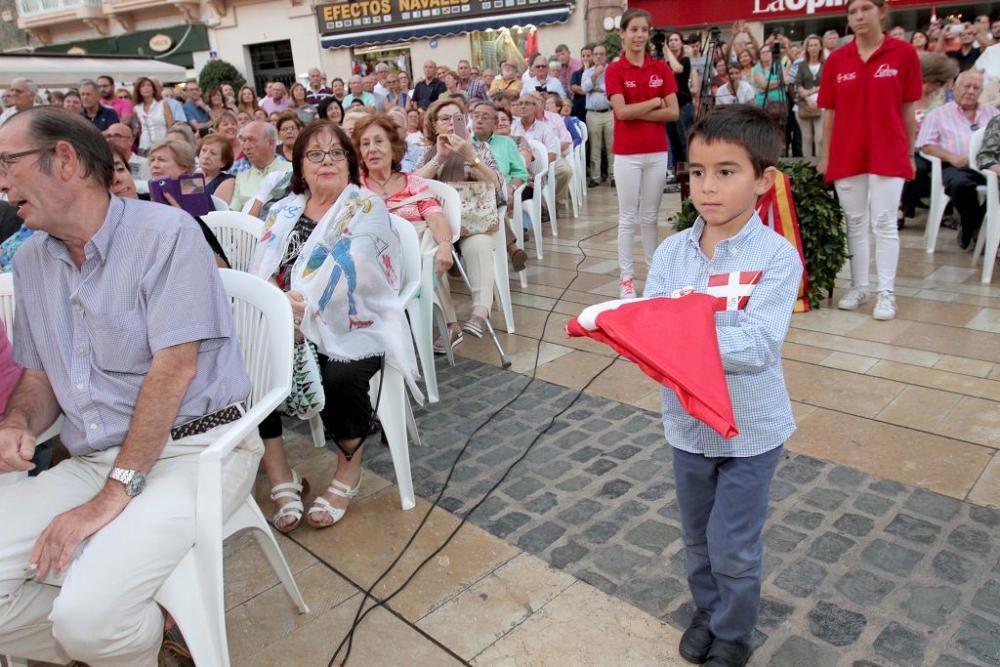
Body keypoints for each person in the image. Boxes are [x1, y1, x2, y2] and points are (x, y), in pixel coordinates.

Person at [0, 105, 262, 667]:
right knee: (88, 624)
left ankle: (113, 636)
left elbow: (175, 372)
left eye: (8, 162)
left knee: (88, 619)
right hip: (96, 457)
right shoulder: (29, 262)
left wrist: (111, 497)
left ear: (64, 160)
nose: (1, 181)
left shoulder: (165, 234)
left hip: (196, 451)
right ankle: (141, 636)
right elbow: (40, 376)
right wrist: (17, 422)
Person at [644, 103, 801, 667]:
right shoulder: (670, 255)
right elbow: (654, 328)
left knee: (733, 543)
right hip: (687, 428)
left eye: (726, 171)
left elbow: (758, 345)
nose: (707, 187)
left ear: (763, 180)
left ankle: (734, 632)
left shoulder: (777, 258)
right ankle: (707, 610)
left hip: (750, 431)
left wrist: (678, 346)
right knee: (695, 538)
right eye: (697, 172)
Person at [250, 120, 419, 530]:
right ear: (300, 166)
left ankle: (349, 469)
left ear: (349, 161)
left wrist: (299, 313)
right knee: (245, 363)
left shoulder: (365, 207)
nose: (326, 161)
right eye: (314, 154)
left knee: (341, 374)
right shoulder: (284, 209)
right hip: (281, 317)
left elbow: (360, 272)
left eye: (336, 153)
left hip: (352, 320)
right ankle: (281, 475)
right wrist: (273, 308)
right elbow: (260, 266)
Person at [819, 0, 923, 322]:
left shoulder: (904, 54)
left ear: (882, 11)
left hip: (888, 150)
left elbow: (908, 109)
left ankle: (886, 292)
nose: (859, 16)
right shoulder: (837, 60)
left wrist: (909, 151)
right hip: (848, 152)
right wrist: (825, 155)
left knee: (884, 223)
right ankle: (860, 285)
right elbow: (830, 113)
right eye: (852, 11)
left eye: (865, 8)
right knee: (855, 222)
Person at [415, 97, 505, 340]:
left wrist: (469, 155)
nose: (451, 124)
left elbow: (496, 185)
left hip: (472, 222)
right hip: (438, 226)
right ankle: (450, 324)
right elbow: (412, 187)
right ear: (434, 125)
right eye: (445, 119)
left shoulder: (480, 148)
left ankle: (480, 312)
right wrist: (440, 159)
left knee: (480, 244)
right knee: (428, 254)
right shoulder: (426, 153)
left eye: (457, 119)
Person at [606, 8, 680, 298]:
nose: (639, 35)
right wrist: (653, 102)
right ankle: (626, 279)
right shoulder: (615, 70)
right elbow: (621, 111)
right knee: (628, 217)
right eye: (633, 29)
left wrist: (641, 110)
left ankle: (653, 276)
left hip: (657, 152)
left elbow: (673, 112)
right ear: (622, 33)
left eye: (643, 30)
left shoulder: (660, 69)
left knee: (650, 217)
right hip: (627, 153)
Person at [918, 69, 999, 251]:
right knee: (961, 185)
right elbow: (925, 145)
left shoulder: (992, 113)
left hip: (986, 167)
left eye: (976, 88)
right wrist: (952, 157)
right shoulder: (938, 114)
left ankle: (970, 226)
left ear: (981, 92)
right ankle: (976, 227)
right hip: (955, 167)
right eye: (966, 86)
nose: (970, 91)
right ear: (955, 87)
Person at [147, 139, 230, 267]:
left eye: (162, 160)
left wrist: (182, 219)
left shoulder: (194, 192)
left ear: (184, 168)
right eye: (152, 160)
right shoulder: (148, 197)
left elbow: (216, 258)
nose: (155, 165)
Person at [899, 53, 958, 225]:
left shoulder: (944, 98)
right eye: (938, 82)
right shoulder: (906, 93)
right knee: (916, 167)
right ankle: (901, 207)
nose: (939, 86)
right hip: (910, 146)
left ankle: (944, 212)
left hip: (935, 146)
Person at [471, 101, 530, 271]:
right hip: (472, 193)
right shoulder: (464, 143)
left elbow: (521, 173)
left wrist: (511, 189)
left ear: (495, 124)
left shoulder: (506, 143)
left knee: (491, 199)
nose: (479, 120)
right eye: (476, 116)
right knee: (484, 200)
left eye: (485, 117)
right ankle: (512, 248)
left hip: (499, 192)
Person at [229, 121, 293, 212]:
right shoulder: (241, 178)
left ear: (271, 143)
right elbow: (233, 212)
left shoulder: (292, 170)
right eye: (244, 140)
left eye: (252, 140)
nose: (246, 146)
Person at [665, 32, 699, 169]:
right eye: (670, 40)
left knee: (684, 139)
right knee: (672, 141)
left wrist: (666, 49)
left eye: (676, 40)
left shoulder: (686, 60)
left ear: (681, 43)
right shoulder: (665, 63)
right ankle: (677, 172)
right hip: (669, 106)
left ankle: (690, 171)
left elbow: (677, 69)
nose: (673, 42)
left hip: (683, 105)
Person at [582, 44, 614, 188]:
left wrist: (598, 88)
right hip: (593, 113)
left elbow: (611, 89)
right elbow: (585, 88)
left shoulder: (612, 71)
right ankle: (595, 177)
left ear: (606, 55)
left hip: (609, 112)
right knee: (595, 147)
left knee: (612, 146)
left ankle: (613, 176)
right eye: (596, 54)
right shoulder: (588, 72)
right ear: (593, 56)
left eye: (602, 54)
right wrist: (595, 75)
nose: (599, 57)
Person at [795, 34, 825, 158]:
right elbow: (798, 84)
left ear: (820, 47)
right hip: (804, 105)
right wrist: (807, 98)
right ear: (807, 48)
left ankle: (819, 166)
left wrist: (814, 90)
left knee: (820, 138)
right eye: (810, 45)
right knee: (806, 138)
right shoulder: (802, 65)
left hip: (821, 104)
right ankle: (807, 168)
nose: (813, 48)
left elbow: (829, 83)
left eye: (815, 45)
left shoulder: (826, 64)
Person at [133, 76, 174, 154]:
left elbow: (171, 127)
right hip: (144, 146)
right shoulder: (136, 108)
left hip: (163, 144)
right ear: (138, 90)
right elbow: (140, 129)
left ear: (153, 88)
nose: (146, 88)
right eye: (143, 86)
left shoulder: (163, 104)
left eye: (149, 85)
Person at [197, 133, 236, 201]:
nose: (206, 156)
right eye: (204, 150)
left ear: (223, 162)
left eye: (213, 153)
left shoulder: (228, 181)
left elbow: (217, 209)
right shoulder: (193, 174)